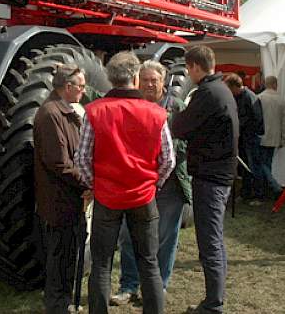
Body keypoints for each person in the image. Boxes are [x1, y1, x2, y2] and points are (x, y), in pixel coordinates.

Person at [76, 51, 173, 314]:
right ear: (136, 76)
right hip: (143, 196)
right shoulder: (156, 113)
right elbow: (168, 160)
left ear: (109, 77)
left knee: (101, 264)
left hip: (107, 197)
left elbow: (82, 158)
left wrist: (94, 186)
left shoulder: (94, 111)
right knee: (149, 263)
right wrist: (154, 185)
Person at [112, 61, 189, 306]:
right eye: (144, 79)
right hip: (135, 183)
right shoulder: (131, 107)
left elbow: (187, 143)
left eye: (153, 80)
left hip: (169, 183)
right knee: (128, 234)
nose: (149, 84)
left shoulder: (176, 108)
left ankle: (157, 285)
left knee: (165, 237)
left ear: (163, 82)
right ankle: (129, 286)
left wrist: (160, 163)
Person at [171, 46, 238, 314]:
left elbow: (179, 127)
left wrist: (173, 115)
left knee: (209, 242)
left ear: (195, 67)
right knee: (215, 239)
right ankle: (215, 298)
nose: (189, 72)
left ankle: (213, 304)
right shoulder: (221, 89)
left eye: (189, 68)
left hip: (210, 176)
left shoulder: (207, 93)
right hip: (220, 173)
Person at [34, 64, 89, 314]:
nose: (83, 91)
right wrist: (88, 182)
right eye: (81, 86)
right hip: (59, 200)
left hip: (68, 197)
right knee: (60, 255)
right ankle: (57, 304)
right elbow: (59, 163)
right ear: (67, 87)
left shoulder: (63, 112)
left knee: (67, 252)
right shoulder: (51, 115)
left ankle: (62, 299)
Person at [224, 73, 268, 203]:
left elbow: (256, 119)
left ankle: (259, 195)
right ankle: (246, 193)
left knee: (254, 167)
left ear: (234, 87)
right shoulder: (238, 97)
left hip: (251, 138)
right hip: (243, 138)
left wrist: (240, 125)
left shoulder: (250, 97)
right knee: (244, 167)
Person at [257, 75, 285, 194]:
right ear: (275, 85)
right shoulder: (281, 100)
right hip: (275, 137)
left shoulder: (259, 98)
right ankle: (270, 187)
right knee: (267, 163)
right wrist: (283, 139)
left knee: (261, 164)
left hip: (261, 136)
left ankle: (272, 186)